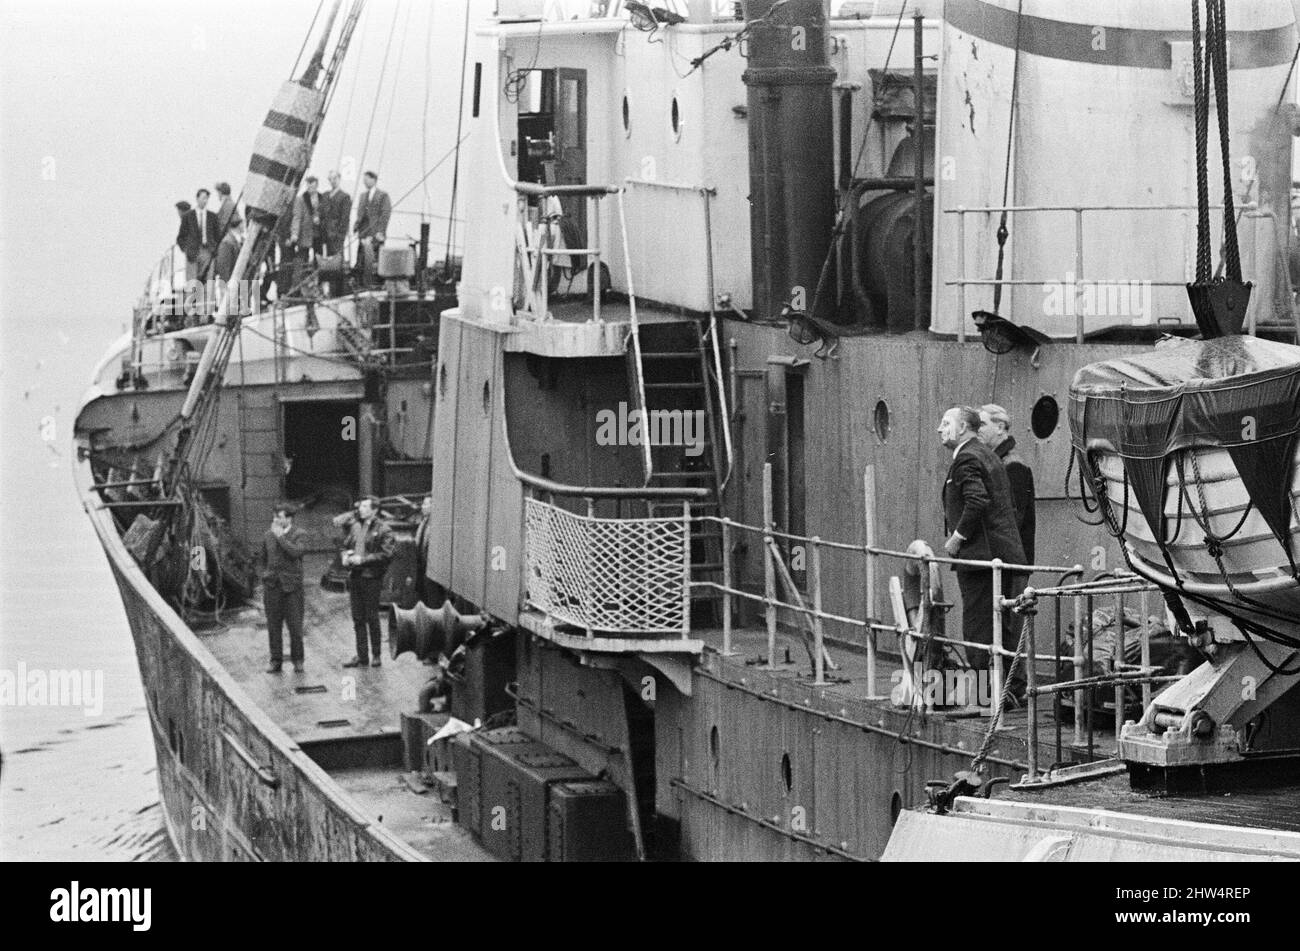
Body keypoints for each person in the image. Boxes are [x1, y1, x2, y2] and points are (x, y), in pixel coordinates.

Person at [938, 406, 1027, 695]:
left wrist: (957, 538)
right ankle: (1003, 694)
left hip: (980, 559)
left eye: (945, 423)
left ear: (963, 427)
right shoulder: (988, 454)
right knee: (1002, 627)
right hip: (1001, 554)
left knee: (977, 627)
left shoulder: (966, 458)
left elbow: (976, 501)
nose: (940, 429)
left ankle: (979, 698)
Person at [333, 496, 396, 668]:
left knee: (372, 617)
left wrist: (363, 560)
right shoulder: (356, 526)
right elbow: (344, 545)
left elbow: (386, 554)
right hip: (356, 577)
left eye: (365, 506)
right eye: (361, 506)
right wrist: (345, 556)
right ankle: (362, 656)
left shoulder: (384, 529)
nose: (361, 509)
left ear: (374, 510)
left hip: (372, 578)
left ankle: (376, 655)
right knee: (358, 618)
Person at [978, 404, 1036, 565]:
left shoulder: (1013, 465)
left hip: (1007, 562)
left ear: (1000, 427)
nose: (977, 430)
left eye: (982, 424)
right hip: (1000, 559)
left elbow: (1012, 519)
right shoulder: (997, 462)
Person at [259, 505, 309, 673]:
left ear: (289, 518)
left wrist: (281, 537)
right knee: (273, 626)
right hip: (272, 587)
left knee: (295, 627)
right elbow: (263, 559)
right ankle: (276, 660)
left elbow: (296, 553)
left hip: (292, 589)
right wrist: (265, 576)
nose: (274, 520)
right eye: (274, 516)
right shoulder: (267, 535)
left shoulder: (299, 534)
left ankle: (298, 660)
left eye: (278, 517)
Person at [353, 170, 391, 287]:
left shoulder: (383, 195)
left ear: (373, 180)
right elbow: (360, 213)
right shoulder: (363, 196)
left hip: (376, 233)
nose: (365, 182)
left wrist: (380, 231)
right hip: (364, 232)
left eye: (367, 179)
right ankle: (361, 283)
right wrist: (356, 226)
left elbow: (385, 214)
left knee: (378, 259)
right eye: (364, 180)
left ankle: (378, 283)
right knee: (362, 259)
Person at [177, 188, 220, 282]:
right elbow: (181, 237)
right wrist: (186, 249)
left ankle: (206, 297)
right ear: (197, 198)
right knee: (192, 283)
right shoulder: (188, 216)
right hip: (192, 253)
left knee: (208, 282)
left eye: (207, 199)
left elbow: (217, 236)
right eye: (203, 198)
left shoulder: (212, 217)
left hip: (207, 252)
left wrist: (213, 248)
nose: (205, 201)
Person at [320, 170, 352, 296]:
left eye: (334, 179)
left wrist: (340, 234)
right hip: (326, 234)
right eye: (330, 179)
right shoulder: (326, 195)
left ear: (339, 179)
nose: (332, 181)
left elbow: (345, 218)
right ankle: (329, 290)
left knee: (337, 262)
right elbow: (321, 211)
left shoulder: (344, 196)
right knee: (327, 262)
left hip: (336, 235)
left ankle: (338, 291)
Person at [290, 176, 322, 263]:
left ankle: (316, 275)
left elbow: (326, 215)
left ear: (317, 186)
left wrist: (320, 219)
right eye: (308, 186)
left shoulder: (322, 198)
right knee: (302, 258)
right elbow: (297, 217)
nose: (310, 189)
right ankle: (302, 275)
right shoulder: (300, 199)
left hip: (318, 233)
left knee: (319, 258)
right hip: (304, 233)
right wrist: (294, 233)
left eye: (312, 187)